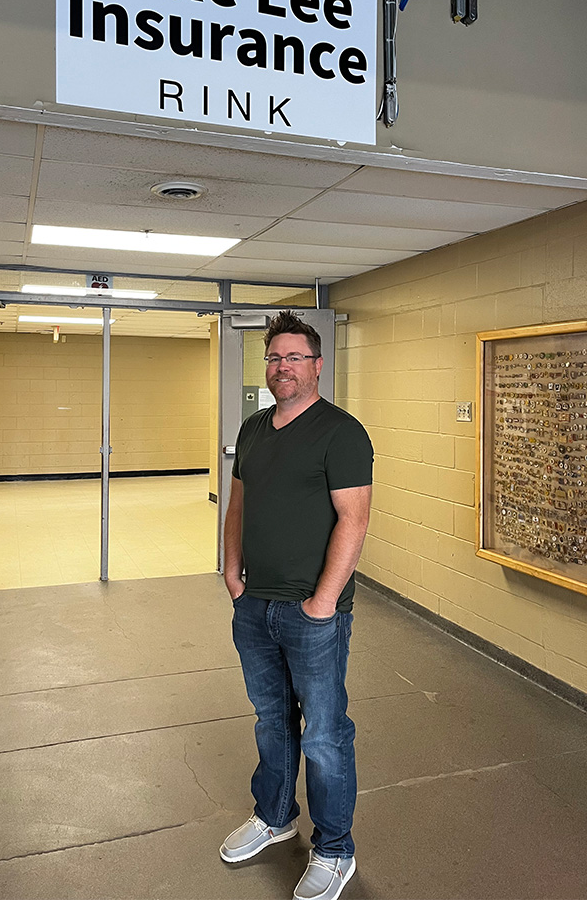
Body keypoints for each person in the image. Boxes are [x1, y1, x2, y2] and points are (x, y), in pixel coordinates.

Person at [220, 310, 373, 900]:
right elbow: (239, 504)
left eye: (294, 357)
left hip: (314, 614)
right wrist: (233, 575)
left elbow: (354, 520)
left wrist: (322, 603)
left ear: (316, 365)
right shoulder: (256, 428)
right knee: (271, 719)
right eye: (274, 357)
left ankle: (335, 849)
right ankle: (275, 817)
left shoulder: (342, 432)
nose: (283, 367)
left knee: (325, 735)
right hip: (254, 605)